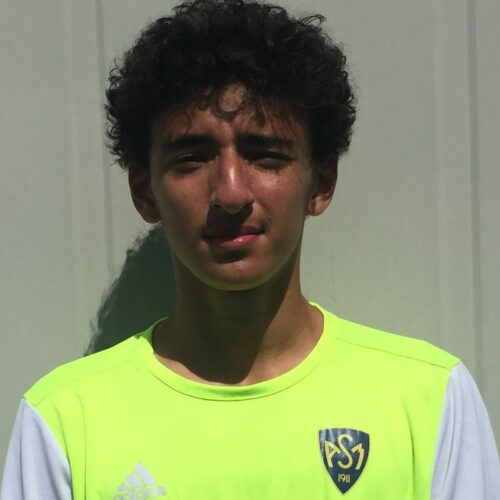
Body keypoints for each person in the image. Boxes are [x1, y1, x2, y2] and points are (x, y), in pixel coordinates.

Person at [1, 0, 499, 498]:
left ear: (321, 183)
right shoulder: (64, 423)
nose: (231, 192)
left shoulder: (430, 401)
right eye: (192, 158)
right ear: (144, 191)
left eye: (266, 155)